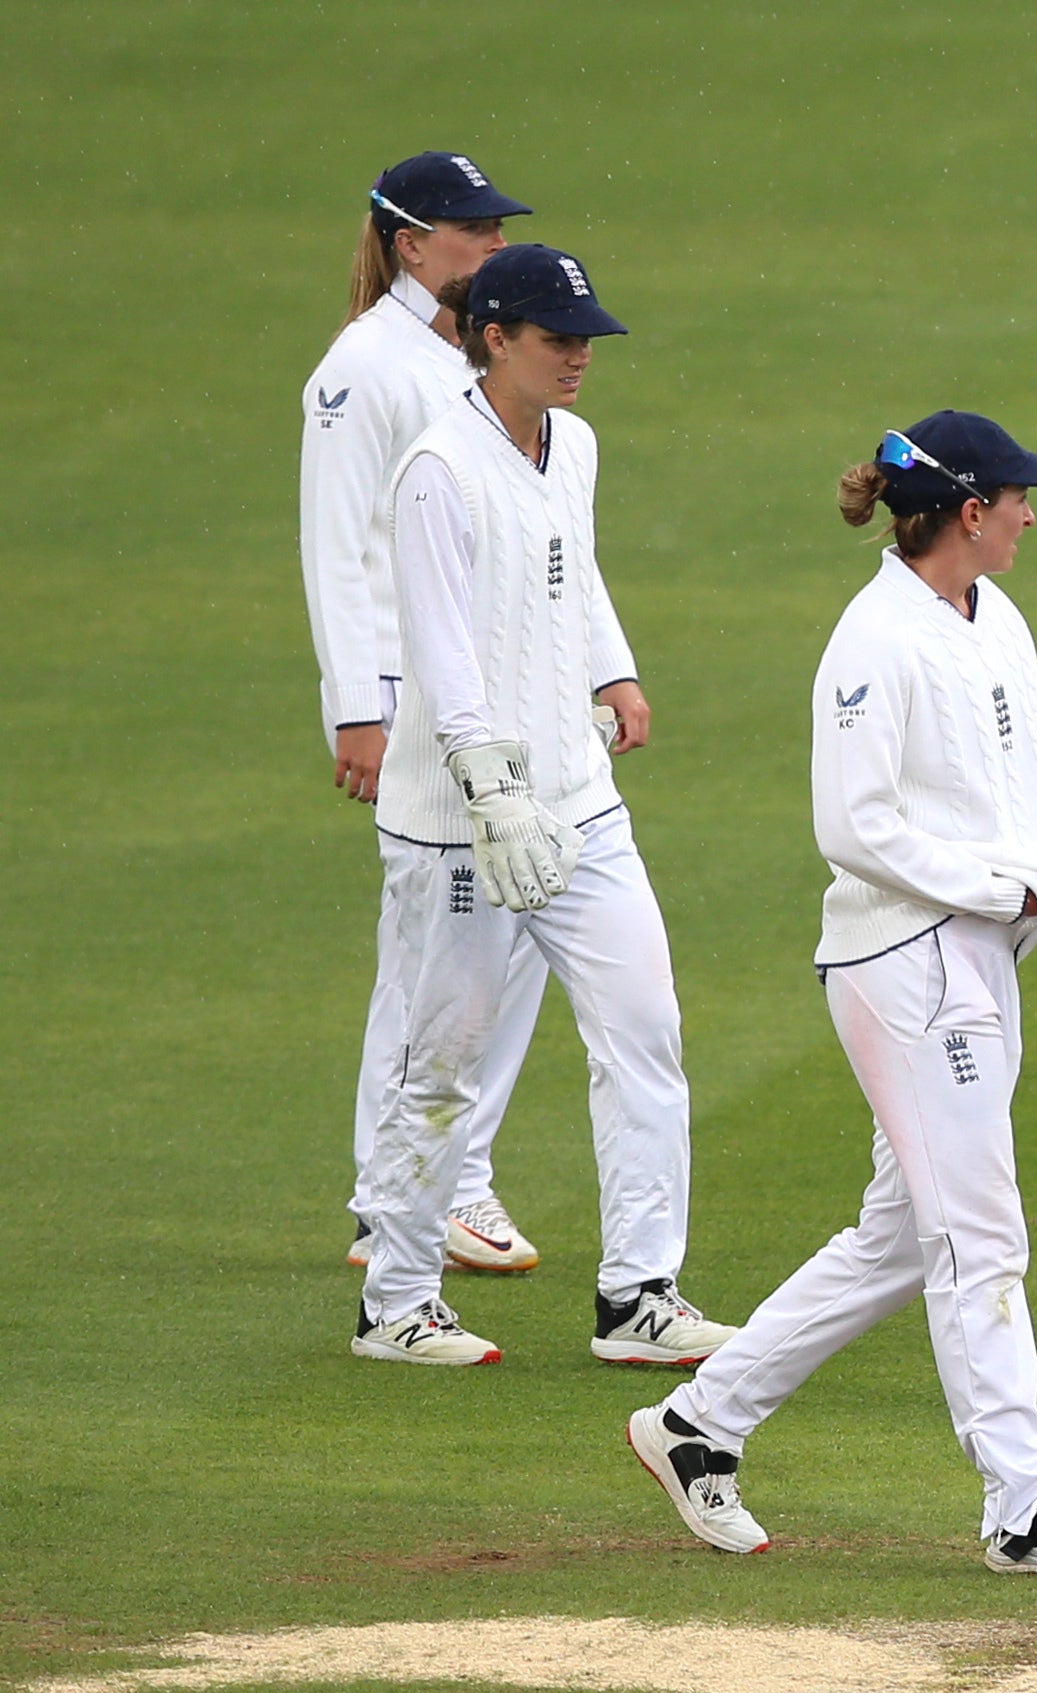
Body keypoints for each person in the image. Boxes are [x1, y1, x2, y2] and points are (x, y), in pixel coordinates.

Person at [625, 414, 1037, 1577]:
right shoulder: (872, 643)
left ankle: (695, 1424)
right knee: (980, 1236)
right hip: (908, 962)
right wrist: (998, 886)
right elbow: (853, 825)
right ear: (969, 512)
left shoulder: (994, 618)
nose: (1036, 514)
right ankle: (1023, 1508)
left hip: (977, 955)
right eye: (1021, 498)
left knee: (895, 1239)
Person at [350, 245, 732, 1370]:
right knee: (446, 1063)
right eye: (558, 338)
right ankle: (398, 1304)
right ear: (495, 338)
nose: (579, 357)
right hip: (460, 819)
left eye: (587, 339)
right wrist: (491, 789)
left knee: (645, 1033)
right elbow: (441, 644)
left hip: (580, 803)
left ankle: (639, 1296)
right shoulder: (436, 468)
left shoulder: (577, 446)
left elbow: (575, 566)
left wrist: (612, 669)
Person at [302, 151, 550, 1279]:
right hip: (415, 708)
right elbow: (338, 545)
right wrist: (357, 705)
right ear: (411, 243)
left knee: (490, 943)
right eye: (473, 230)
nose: (493, 245)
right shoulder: (366, 367)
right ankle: (414, 1194)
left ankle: (425, 1185)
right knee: (439, 961)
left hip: (494, 695)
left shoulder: (467, 350)